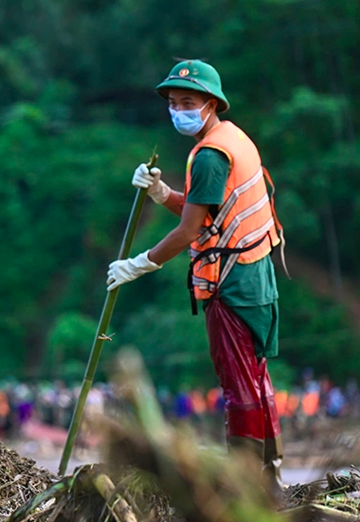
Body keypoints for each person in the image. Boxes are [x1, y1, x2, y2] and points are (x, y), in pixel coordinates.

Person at [106, 60, 285, 489]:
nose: (178, 110)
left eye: (188, 102)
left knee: (238, 382)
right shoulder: (232, 138)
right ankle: (270, 473)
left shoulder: (208, 156)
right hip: (255, 273)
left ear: (210, 103)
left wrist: (140, 262)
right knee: (256, 377)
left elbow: (190, 230)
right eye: (173, 103)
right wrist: (163, 193)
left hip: (231, 281)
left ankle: (246, 482)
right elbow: (205, 212)